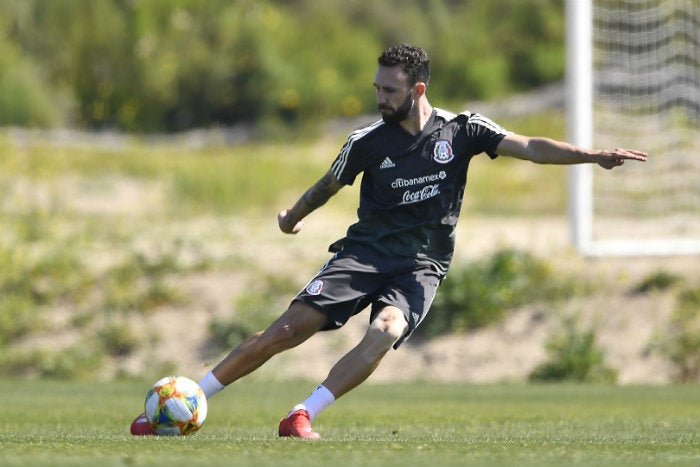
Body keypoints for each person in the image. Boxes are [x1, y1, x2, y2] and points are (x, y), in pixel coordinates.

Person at [131, 44, 647, 438]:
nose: (380, 98)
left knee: (385, 330)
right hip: (362, 256)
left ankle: (302, 414)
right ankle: (189, 399)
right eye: (378, 89)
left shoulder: (462, 130)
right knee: (288, 330)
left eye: (390, 91)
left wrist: (592, 154)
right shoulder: (366, 141)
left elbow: (530, 146)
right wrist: (292, 216)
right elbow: (328, 184)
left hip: (420, 266)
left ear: (418, 90)